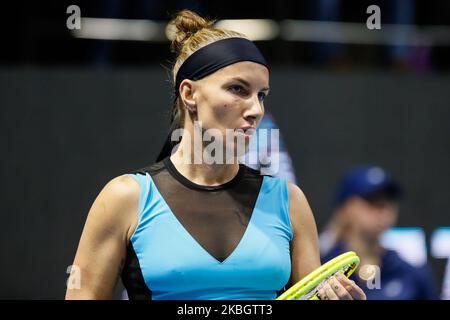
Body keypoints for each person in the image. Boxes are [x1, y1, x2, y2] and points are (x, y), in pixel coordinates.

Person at [65, 10, 366, 300]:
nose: (256, 110)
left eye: (261, 95)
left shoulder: (289, 202)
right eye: (238, 89)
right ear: (189, 94)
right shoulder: (124, 198)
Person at [320, 165, 438, 299]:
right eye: (373, 200)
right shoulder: (322, 270)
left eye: (389, 200)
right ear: (348, 207)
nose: (384, 209)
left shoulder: (411, 273)